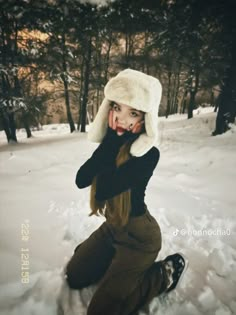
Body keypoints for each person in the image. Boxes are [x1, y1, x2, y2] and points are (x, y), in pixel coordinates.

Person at [65, 69, 187, 315]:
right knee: (74, 276)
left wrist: (110, 144)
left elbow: (108, 187)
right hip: (112, 229)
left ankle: (164, 274)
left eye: (132, 112)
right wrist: (109, 143)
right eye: (117, 108)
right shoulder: (110, 144)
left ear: (146, 118)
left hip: (139, 238)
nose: (121, 119)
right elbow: (81, 179)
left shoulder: (148, 155)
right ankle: (108, 260)